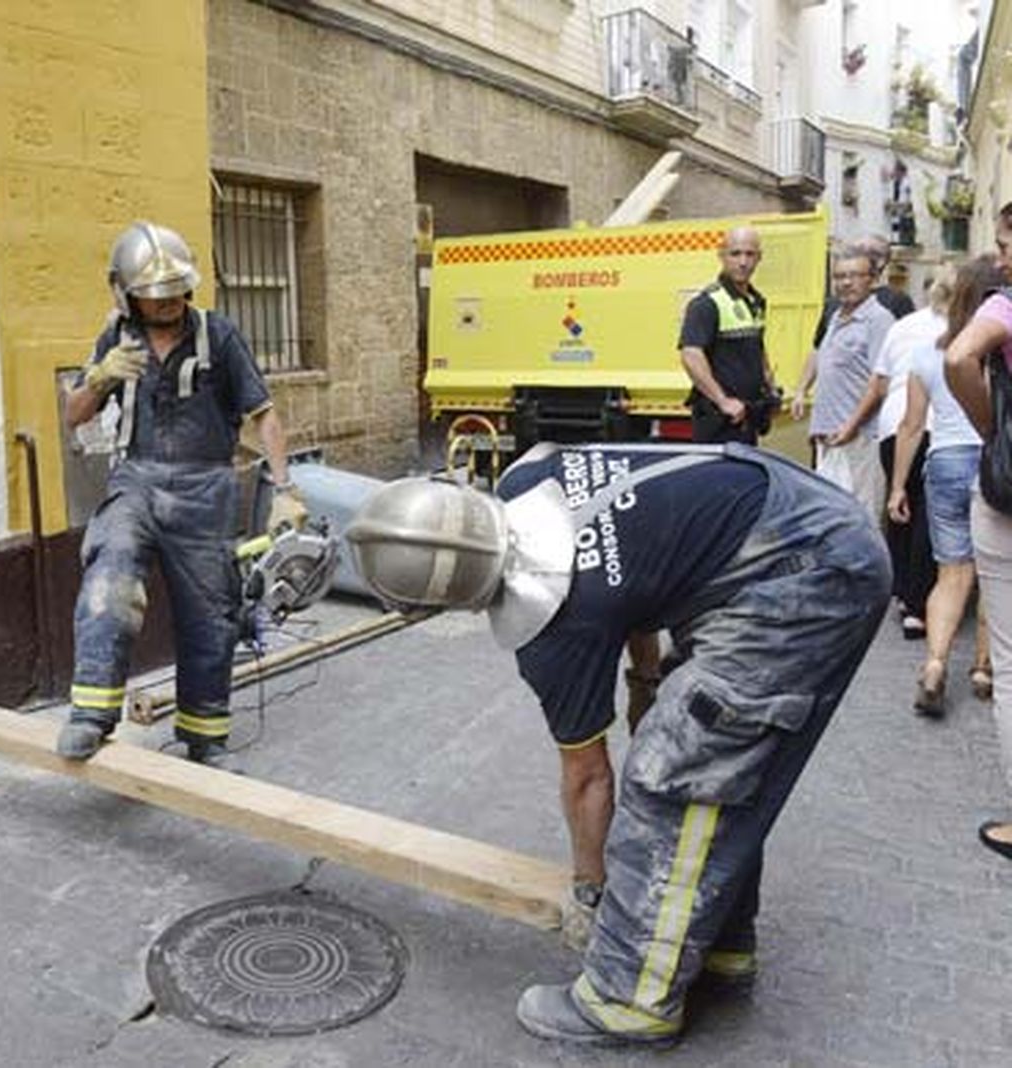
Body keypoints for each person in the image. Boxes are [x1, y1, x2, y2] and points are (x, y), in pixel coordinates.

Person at [348, 440, 888, 1046]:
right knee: (721, 759)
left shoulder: (552, 632)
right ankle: (718, 946)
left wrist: (591, 890)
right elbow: (630, 572)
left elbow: (588, 779)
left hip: (809, 574)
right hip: (794, 520)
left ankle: (629, 997)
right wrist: (645, 680)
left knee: (677, 775)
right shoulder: (530, 475)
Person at [55, 221, 305, 768]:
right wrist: (98, 376)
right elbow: (74, 417)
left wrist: (284, 489)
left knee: (211, 614)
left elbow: (263, 415)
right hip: (137, 480)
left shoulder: (220, 335)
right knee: (110, 570)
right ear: (126, 293)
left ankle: (204, 736)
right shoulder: (117, 339)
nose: (168, 302)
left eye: (175, 291)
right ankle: (92, 715)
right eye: (154, 294)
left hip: (206, 486)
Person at [888, 261, 993, 715]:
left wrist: (896, 488)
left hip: (945, 460)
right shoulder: (998, 350)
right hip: (992, 463)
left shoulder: (929, 353)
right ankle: (983, 668)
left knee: (952, 573)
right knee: (994, 577)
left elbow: (912, 426)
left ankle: (934, 665)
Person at [943, 203, 1012, 861]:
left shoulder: (1004, 307)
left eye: (1007, 245)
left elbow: (959, 357)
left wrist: (991, 428)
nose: (1002, 259)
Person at [841, 277, 950, 640]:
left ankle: (903, 591)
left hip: (894, 425)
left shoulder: (904, 326)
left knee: (900, 506)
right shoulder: (964, 324)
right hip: (939, 424)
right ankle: (918, 604)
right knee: (927, 513)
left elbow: (881, 383)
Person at [792, 246, 897, 522]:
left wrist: (851, 425)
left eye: (854, 275)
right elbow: (818, 354)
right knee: (831, 516)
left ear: (872, 280)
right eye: (839, 277)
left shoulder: (879, 320)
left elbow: (881, 381)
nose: (845, 283)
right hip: (830, 437)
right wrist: (801, 390)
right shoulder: (836, 315)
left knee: (862, 517)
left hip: (860, 438)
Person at [678, 227, 776, 445]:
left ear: (759, 258)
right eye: (735, 254)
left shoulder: (756, 301)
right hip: (719, 419)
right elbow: (690, 355)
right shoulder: (707, 303)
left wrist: (769, 382)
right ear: (721, 256)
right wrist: (722, 401)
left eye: (750, 254)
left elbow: (757, 347)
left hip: (747, 416)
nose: (743, 262)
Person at [811, 234, 916, 347]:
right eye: (839, 276)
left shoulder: (896, 302)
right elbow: (818, 348)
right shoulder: (834, 305)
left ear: (881, 261)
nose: (846, 283)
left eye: (859, 252)